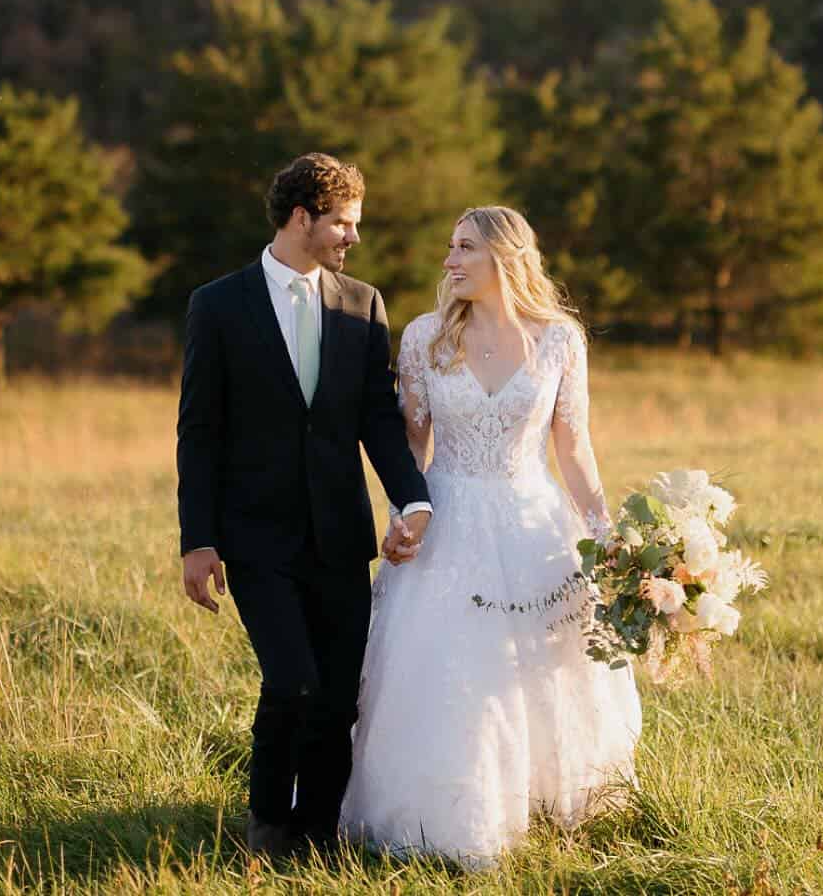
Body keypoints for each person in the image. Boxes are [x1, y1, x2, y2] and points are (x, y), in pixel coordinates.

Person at [339, 205, 642, 864]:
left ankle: (543, 807)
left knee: (537, 670)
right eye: (450, 247)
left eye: (464, 248)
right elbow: (410, 449)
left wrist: (605, 534)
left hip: (535, 523)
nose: (449, 261)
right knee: (448, 671)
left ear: (505, 256)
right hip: (445, 521)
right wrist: (403, 517)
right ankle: (441, 821)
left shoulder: (561, 340)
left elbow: (575, 448)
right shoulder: (425, 338)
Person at [175, 152, 432, 861]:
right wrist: (198, 541)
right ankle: (265, 828)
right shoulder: (218, 305)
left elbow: (378, 419)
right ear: (300, 218)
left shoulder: (363, 304)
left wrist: (412, 496)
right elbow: (198, 432)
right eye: (342, 223)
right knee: (290, 680)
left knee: (338, 697)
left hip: (339, 537)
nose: (352, 237)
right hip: (254, 539)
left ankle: (319, 834)